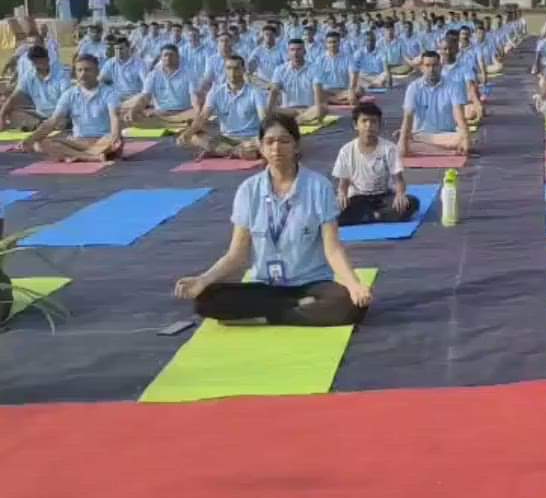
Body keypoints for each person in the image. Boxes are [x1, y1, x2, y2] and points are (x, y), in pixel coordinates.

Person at [173, 113, 373, 325]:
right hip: (267, 286)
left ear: (296, 145)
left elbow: (332, 249)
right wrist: (203, 280)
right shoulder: (248, 190)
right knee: (206, 300)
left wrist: (353, 285)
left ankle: (269, 316)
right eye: (270, 142)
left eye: (284, 141)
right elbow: (236, 255)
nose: (276, 148)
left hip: (311, 284)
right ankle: (296, 310)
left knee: (349, 304)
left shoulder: (319, 187)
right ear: (261, 147)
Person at [333, 102, 420, 226]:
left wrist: (400, 195)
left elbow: (398, 180)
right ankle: (377, 215)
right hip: (358, 197)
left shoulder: (389, 148)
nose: (369, 126)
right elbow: (343, 184)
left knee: (411, 203)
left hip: (383, 197)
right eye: (364, 121)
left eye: (373, 122)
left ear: (379, 125)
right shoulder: (346, 151)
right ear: (355, 125)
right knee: (333, 210)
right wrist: (342, 195)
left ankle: (368, 216)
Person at [178, 54, 268, 160]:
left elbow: (264, 119)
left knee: (262, 142)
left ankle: (223, 152)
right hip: (226, 138)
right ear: (224, 70)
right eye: (229, 68)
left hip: (250, 138)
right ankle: (236, 152)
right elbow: (203, 117)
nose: (232, 73)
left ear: (243, 69)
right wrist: (188, 133)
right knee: (196, 137)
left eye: (236, 68)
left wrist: (260, 139)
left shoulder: (255, 92)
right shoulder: (216, 91)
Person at [399, 50, 471, 156]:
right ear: (422, 68)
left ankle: (430, 149)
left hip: (445, 135)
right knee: (405, 143)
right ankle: (447, 153)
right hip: (422, 133)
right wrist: (402, 139)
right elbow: (408, 116)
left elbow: (459, 116)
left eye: (435, 65)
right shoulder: (413, 88)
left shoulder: (453, 86)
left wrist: (465, 138)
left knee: (462, 138)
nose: (431, 69)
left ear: (441, 66)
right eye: (427, 65)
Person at [126, 44, 201, 129]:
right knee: (133, 115)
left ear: (178, 57)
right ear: (161, 58)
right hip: (161, 113)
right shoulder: (153, 75)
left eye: (171, 55)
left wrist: (198, 112)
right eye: (165, 55)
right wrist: (134, 110)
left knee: (196, 121)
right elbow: (145, 97)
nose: (168, 58)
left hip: (183, 112)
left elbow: (194, 97)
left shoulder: (189, 73)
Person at [0, 46, 70, 131]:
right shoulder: (29, 75)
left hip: (59, 115)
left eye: (43, 60)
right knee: (13, 112)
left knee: (63, 122)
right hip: (40, 115)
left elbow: (66, 101)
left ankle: (40, 126)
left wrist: (54, 120)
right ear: (32, 62)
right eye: (37, 62)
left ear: (48, 59)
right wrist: (2, 114)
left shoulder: (61, 74)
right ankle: (39, 125)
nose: (41, 64)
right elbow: (15, 97)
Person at [268, 39, 327, 125]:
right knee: (267, 109)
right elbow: (274, 91)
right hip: (288, 110)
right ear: (288, 52)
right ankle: (301, 120)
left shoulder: (315, 68)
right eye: (292, 50)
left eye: (299, 49)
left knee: (323, 108)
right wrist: (269, 112)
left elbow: (317, 91)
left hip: (308, 109)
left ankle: (296, 121)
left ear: (305, 52)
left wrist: (318, 111)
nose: (295, 53)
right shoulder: (280, 69)